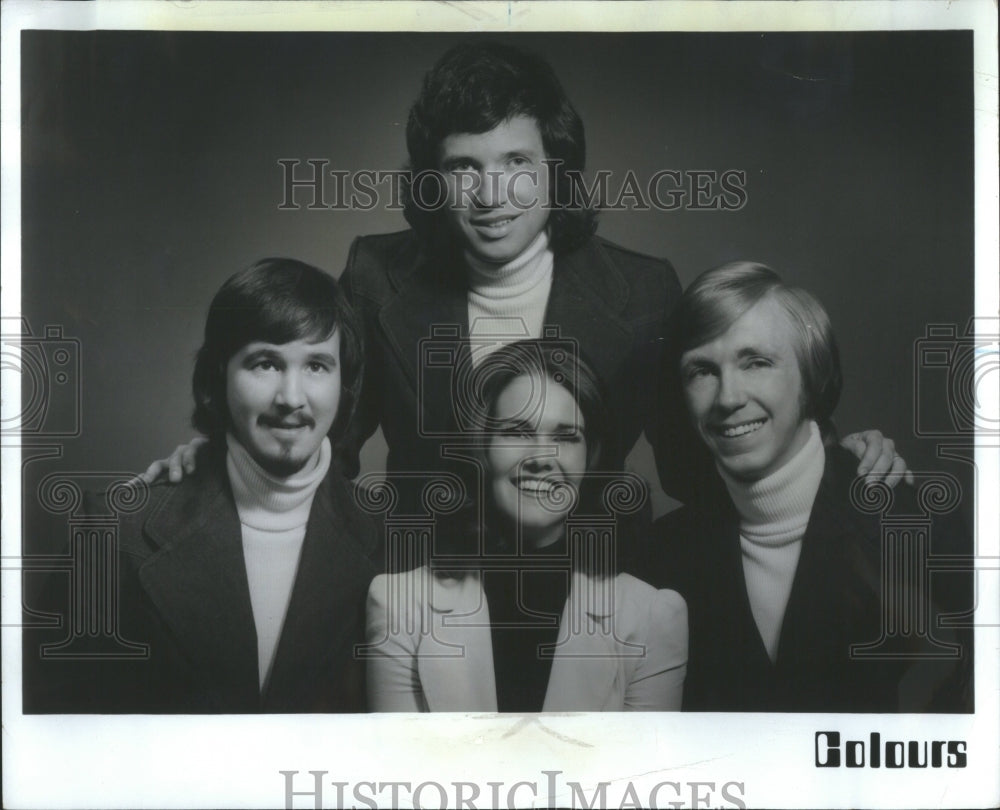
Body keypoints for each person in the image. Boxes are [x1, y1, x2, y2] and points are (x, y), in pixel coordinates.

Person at [142, 42, 907, 512]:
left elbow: (702, 471)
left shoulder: (642, 293)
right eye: (462, 168)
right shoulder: (376, 273)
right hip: (418, 597)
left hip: (594, 600)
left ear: (557, 170)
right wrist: (221, 469)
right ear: (434, 184)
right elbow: (324, 450)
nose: (490, 194)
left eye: (516, 164)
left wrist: (826, 459)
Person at [26, 258, 381, 712]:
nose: (291, 398)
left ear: (343, 384)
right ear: (218, 377)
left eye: (316, 366)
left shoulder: (395, 545)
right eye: (265, 363)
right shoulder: (112, 532)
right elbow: (46, 732)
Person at [638, 262, 972, 712]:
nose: (728, 398)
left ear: (810, 377)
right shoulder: (664, 555)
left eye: (756, 362)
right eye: (702, 370)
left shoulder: (919, 523)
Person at [364, 340, 688, 711]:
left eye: (566, 437)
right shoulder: (398, 606)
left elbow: (642, 770)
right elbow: (399, 767)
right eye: (517, 432)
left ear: (592, 455)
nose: (540, 458)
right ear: (480, 447)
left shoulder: (651, 617)